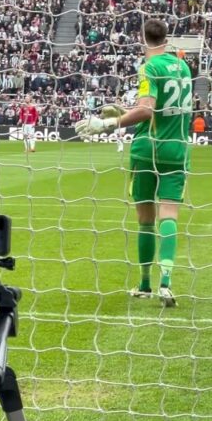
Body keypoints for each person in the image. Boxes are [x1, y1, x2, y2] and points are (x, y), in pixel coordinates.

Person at [74, 18, 193, 307]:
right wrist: (125, 109)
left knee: (145, 220)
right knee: (170, 215)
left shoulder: (149, 67)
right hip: (177, 149)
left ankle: (144, 284)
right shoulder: (183, 66)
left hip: (146, 149)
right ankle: (166, 282)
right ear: (167, 37)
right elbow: (157, 109)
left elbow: (146, 111)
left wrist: (110, 123)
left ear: (143, 38)